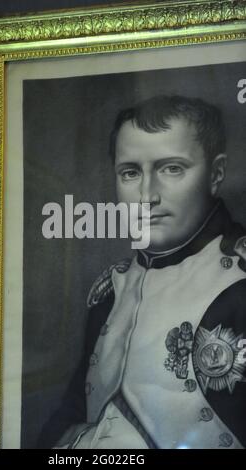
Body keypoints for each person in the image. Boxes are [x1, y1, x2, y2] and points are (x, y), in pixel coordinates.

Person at [38, 95, 246, 449]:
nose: (147, 195)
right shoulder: (111, 289)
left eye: (172, 168)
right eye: (131, 173)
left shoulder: (239, 284)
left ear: (216, 174)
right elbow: (75, 411)